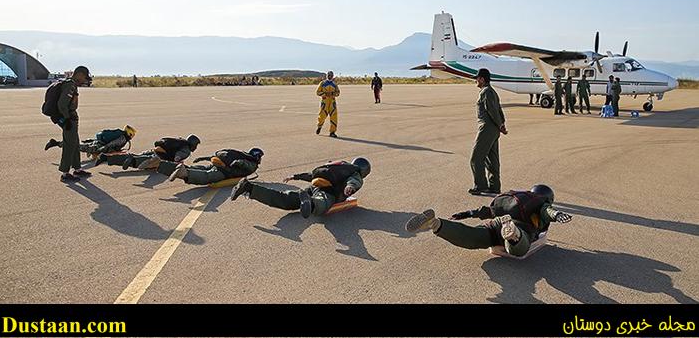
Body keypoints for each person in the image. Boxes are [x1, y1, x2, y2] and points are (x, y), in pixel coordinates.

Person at [405, 184, 572, 257]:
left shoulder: (518, 198)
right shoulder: (541, 203)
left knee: (470, 237)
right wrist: (558, 215)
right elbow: (548, 211)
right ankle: (514, 236)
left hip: (496, 222)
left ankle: (436, 224)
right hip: (519, 227)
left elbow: (488, 211)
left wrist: (467, 213)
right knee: (520, 247)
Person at [230, 158, 371, 218]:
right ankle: (311, 203)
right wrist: (349, 188)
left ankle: (249, 188)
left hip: (314, 185)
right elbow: (354, 181)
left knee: (286, 200)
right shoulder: (355, 173)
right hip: (328, 192)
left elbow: (312, 175)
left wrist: (295, 176)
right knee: (323, 204)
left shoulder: (343, 166)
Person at [468, 68, 507, 196]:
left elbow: (493, 111)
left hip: (487, 128)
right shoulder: (492, 92)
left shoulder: (486, 92)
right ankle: (494, 186)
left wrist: (500, 124)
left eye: (477, 78)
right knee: (492, 159)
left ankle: (480, 186)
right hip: (494, 128)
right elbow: (499, 109)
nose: (476, 81)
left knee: (476, 158)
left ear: (482, 79)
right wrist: (501, 125)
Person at [55, 66, 93, 182]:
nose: (85, 80)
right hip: (68, 119)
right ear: (79, 74)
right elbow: (62, 104)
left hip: (71, 118)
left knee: (75, 144)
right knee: (69, 146)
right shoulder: (70, 85)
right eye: (84, 77)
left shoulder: (72, 85)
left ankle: (77, 169)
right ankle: (65, 173)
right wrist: (66, 119)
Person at [164, 147, 264, 185]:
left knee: (205, 168)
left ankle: (184, 168)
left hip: (220, 164)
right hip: (225, 171)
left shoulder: (243, 156)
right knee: (207, 176)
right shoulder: (253, 164)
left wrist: (203, 158)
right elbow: (247, 165)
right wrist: (238, 162)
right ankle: (185, 172)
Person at [95, 134, 200, 169]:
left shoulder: (181, 141)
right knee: (136, 162)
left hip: (157, 150)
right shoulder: (186, 151)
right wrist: (179, 164)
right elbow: (177, 157)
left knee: (138, 156)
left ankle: (106, 157)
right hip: (160, 156)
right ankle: (110, 159)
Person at [46, 125, 136, 156]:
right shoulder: (123, 138)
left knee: (80, 145)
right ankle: (56, 143)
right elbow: (112, 144)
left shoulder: (120, 133)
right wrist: (102, 150)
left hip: (99, 140)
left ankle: (58, 143)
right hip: (100, 145)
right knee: (78, 147)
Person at [316, 71, 340, 138]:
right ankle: (319, 126)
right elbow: (318, 92)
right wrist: (324, 94)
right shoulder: (322, 83)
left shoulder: (334, 84)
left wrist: (333, 94)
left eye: (331, 75)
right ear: (327, 76)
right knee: (322, 116)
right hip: (325, 102)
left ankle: (332, 132)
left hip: (332, 103)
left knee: (334, 117)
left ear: (333, 76)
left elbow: (338, 93)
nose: (330, 76)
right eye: (329, 75)